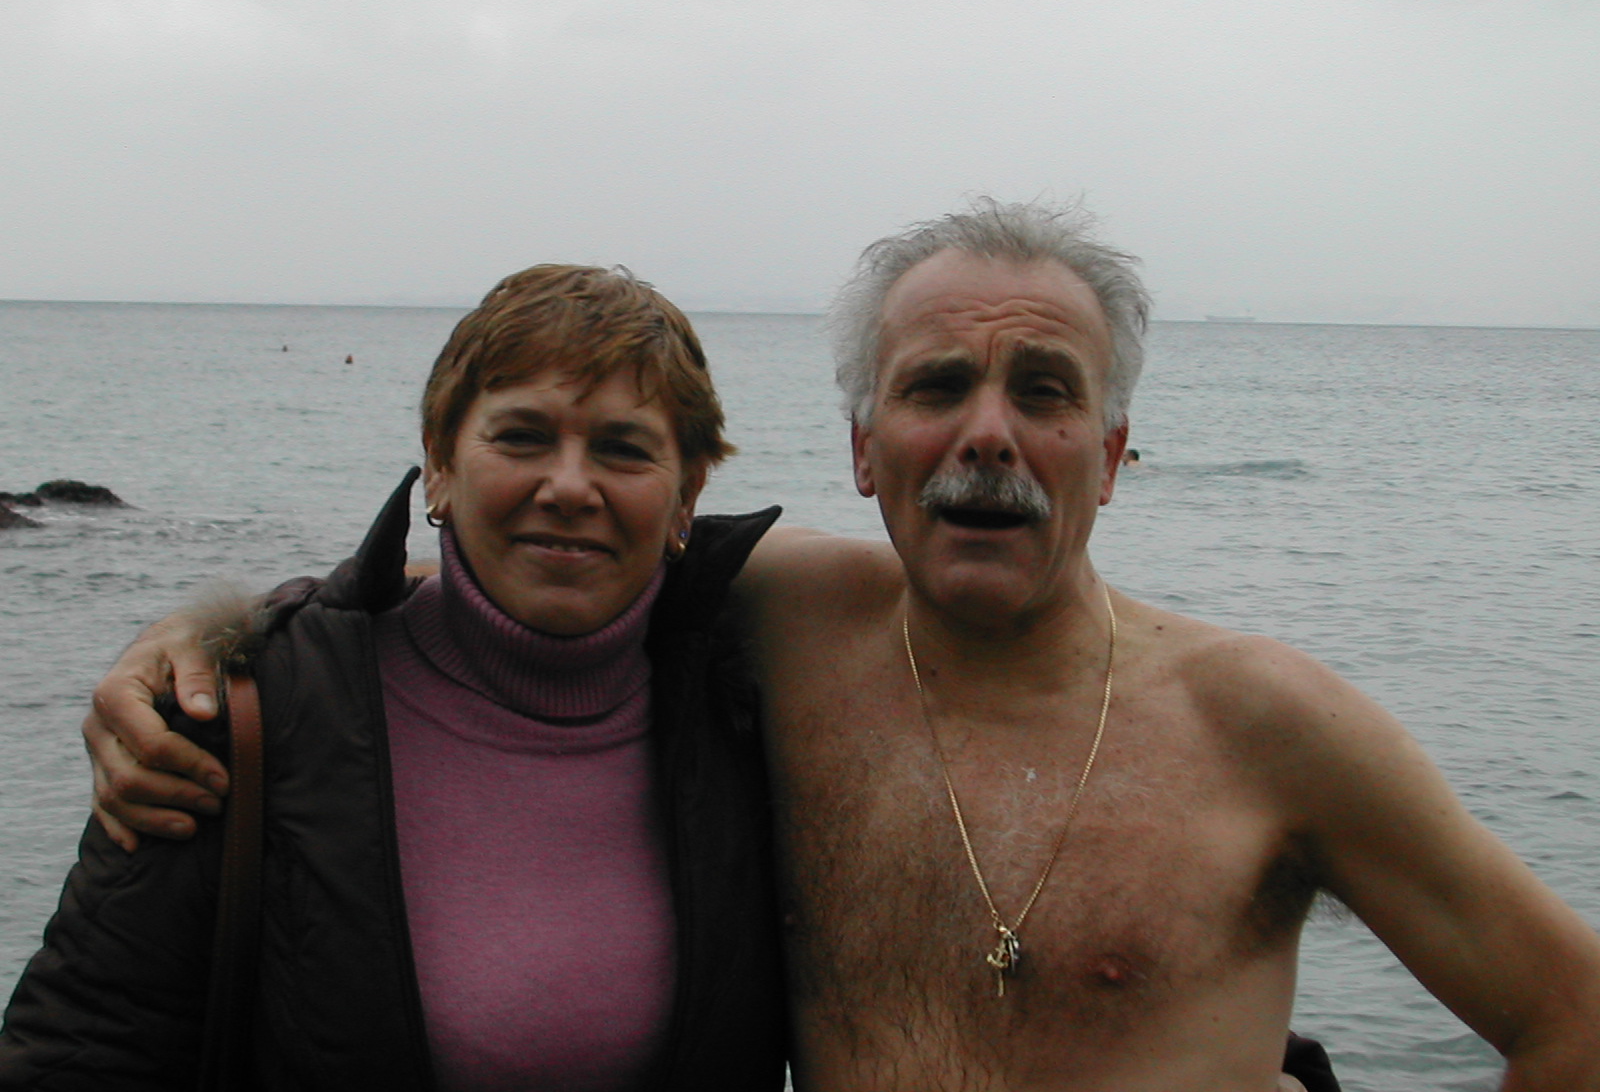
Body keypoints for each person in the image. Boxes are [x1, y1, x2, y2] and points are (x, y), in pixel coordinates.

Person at [77, 200, 1581, 1089]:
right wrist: (194, 641)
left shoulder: (1266, 722)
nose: (987, 435)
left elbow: (1569, 1013)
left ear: (1114, 454)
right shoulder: (789, 623)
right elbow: (511, 570)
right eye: (935, 387)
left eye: (1044, 392)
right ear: (864, 450)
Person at [0, 265, 789, 1089]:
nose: (567, 486)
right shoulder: (252, 709)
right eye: (521, 437)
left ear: (687, 495)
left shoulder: (751, 712)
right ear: (439, 467)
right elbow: (83, 1049)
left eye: (622, 449)